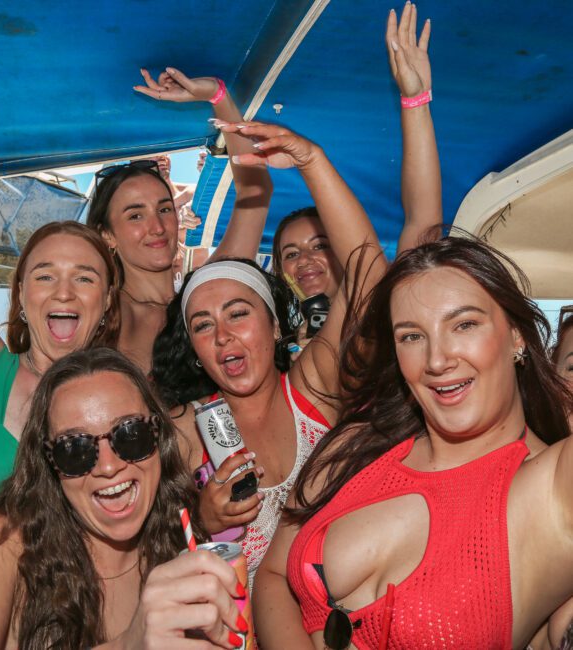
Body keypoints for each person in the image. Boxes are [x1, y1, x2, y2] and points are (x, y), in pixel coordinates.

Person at [253, 236, 573, 650]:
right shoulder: (355, 445)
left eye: (464, 324)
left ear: (516, 335)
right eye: (411, 336)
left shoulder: (549, 489)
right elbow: (274, 575)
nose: (437, 360)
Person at [152, 118, 388, 589]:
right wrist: (202, 522)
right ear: (195, 352)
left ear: (276, 325)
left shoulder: (314, 386)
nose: (222, 336)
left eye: (238, 314)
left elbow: (367, 276)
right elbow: (140, 553)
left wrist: (312, 161)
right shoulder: (180, 430)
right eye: (203, 325)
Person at [0, 348, 249, 649]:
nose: (108, 466)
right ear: (48, 462)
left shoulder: (177, 536)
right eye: (74, 449)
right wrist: (127, 645)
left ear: (158, 437)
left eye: (130, 434)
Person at [0, 220, 120, 536]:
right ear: (20, 292)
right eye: (45, 276)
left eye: (84, 278)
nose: (64, 293)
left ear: (108, 300)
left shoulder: (125, 403)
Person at [87, 68, 273, 371]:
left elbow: (256, 191)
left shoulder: (204, 294)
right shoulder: (105, 320)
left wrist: (218, 95)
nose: (157, 227)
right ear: (106, 234)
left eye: (164, 209)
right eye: (135, 215)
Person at [270, 1, 442, 320]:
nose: (305, 260)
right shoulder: (279, 349)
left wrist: (415, 99)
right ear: (281, 272)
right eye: (291, 254)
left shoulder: (388, 310)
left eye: (320, 244)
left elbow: (423, 222)